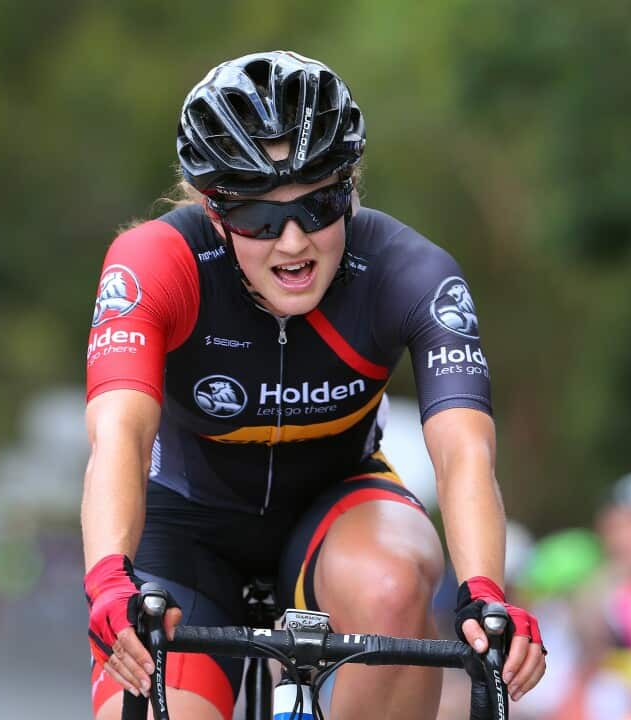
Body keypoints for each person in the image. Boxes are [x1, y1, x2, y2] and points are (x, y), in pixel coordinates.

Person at [81, 51, 545, 720]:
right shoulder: (157, 261)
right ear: (214, 211)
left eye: (319, 204)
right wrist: (107, 580)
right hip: (185, 530)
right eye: (258, 217)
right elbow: (120, 433)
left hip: (339, 506)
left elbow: (464, 451)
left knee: (394, 581)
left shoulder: (408, 272)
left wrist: (485, 595)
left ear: (350, 188)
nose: (293, 241)